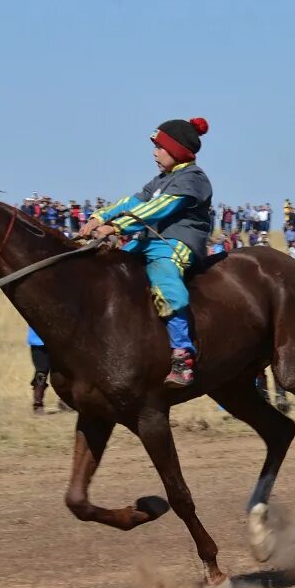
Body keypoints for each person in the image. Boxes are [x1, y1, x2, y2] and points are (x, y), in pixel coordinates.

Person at [79, 117, 212, 388]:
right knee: (110, 267)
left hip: (177, 244)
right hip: (148, 242)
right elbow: (132, 202)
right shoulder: (161, 179)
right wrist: (98, 217)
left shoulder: (193, 179)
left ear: (176, 150)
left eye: (159, 148)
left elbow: (157, 208)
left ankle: (182, 355)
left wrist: (115, 226)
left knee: (164, 279)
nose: (154, 153)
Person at [27, 326, 71, 415]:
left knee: (62, 370)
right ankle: (38, 404)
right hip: (39, 342)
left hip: (59, 339)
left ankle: (64, 401)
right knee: (41, 372)